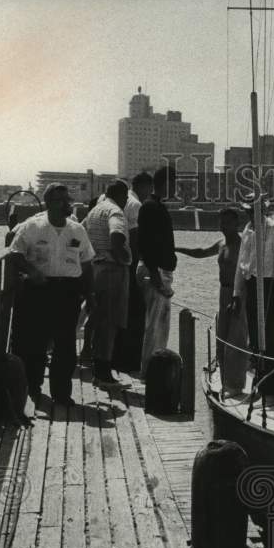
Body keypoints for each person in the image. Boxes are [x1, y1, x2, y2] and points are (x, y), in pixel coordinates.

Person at [8, 183, 95, 406]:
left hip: (68, 291)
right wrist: (32, 272)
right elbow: (15, 255)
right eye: (63, 200)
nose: (69, 204)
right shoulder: (32, 227)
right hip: (39, 290)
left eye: (68, 199)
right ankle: (34, 389)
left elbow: (86, 263)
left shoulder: (77, 230)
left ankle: (62, 393)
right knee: (36, 342)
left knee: (65, 344)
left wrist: (90, 293)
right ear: (50, 203)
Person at [176, 207, 249, 397]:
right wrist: (177, 248)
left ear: (237, 224)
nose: (223, 226)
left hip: (238, 294)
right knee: (221, 338)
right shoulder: (221, 243)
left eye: (227, 222)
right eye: (221, 222)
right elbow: (201, 252)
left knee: (236, 340)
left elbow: (248, 274)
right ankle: (225, 381)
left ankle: (236, 384)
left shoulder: (243, 245)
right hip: (223, 292)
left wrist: (238, 297)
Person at [233, 197, 274, 401]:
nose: (252, 215)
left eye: (255, 211)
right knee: (256, 337)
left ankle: (270, 391)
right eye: (249, 212)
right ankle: (259, 385)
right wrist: (236, 294)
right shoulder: (248, 231)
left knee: (268, 337)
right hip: (251, 285)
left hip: (269, 286)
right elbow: (242, 264)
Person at [83, 180, 132, 389]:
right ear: (124, 197)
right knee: (110, 323)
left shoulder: (95, 211)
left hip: (95, 269)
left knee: (98, 319)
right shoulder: (115, 211)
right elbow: (116, 235)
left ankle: (97, 369)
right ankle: (104, 374)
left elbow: (81, 230)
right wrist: (122, 258)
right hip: (112, 270)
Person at [137, 166, 178, 376]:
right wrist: (156, 277)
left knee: (158, 327)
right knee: (154, 327)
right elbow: (145, 244)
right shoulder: (151, 208)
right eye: (174, 183)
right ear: (166, 183)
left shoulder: (155, 206)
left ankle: (150, 369)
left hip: (158, 271)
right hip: (156, 272)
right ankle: (149, 372)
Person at [112, 171, 153, 374]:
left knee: (118, 312)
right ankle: (129, 361)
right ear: (144, 187)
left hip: (115, 262)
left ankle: (114, 357)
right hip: (129, 262)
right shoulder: (136, 205)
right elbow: (135, 239)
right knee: (134, 313)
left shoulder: (119, 200)